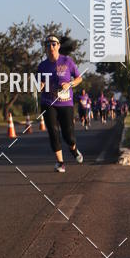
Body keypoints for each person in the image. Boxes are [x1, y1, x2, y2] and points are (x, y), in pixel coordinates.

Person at [37, 34, 84, 172]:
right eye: (48, 45)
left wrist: (69, 84)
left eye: (53, 44)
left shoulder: (67, 61)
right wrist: (40, 85)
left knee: (69, 136)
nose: (51, 47)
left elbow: (79, 78)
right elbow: (39, 83)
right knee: (53, 132)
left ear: (58, 46)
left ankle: (74, 150)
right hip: (48, 102)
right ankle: (60, 162)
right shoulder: (42, 66)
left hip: (65, 103)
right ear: (45, 48)